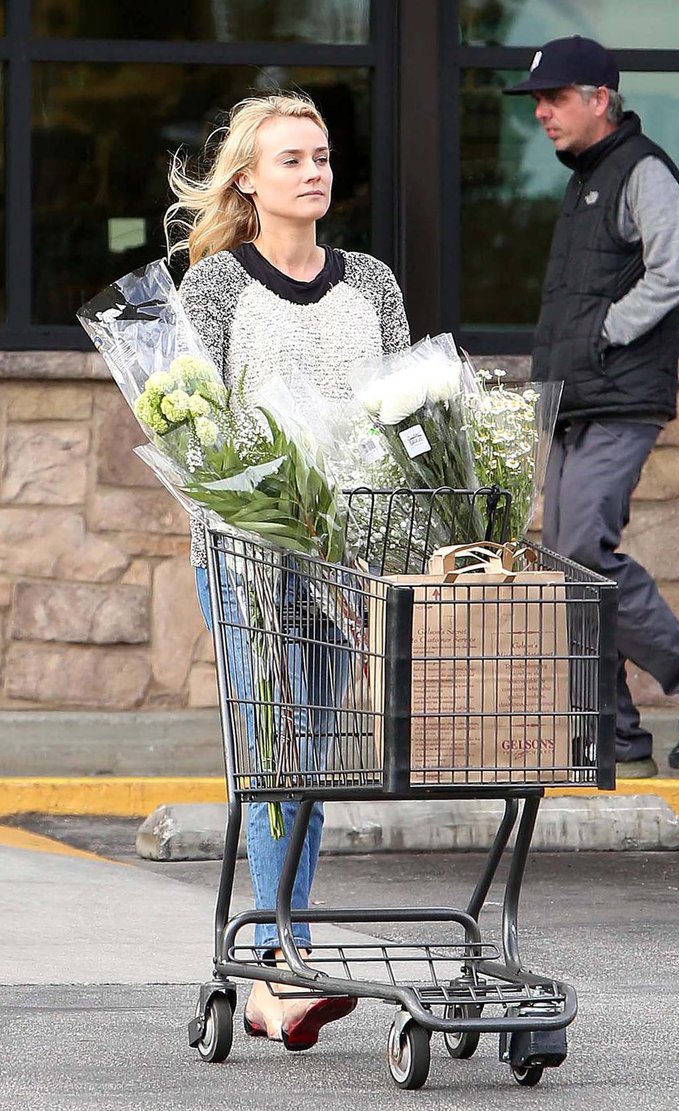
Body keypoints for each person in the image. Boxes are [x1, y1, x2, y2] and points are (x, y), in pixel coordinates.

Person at [167, 92, 410, 1050]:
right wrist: (253, 523)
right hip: (249, 557)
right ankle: (277, 966)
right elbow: (190, 434)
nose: (314, 171)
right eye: (291, 159)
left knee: (309, 756)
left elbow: (402, 420)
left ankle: (280, 956)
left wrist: (386, 552)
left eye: (322, 156)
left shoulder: (373, 286)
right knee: (275, 753)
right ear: (248, 181)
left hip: (344, 561)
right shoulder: (217, 289)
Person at [504, 37, 679, 780]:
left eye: (554, 99)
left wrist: (604, 334)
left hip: (619, 396)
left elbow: (676, 268)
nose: (542, 113)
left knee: (583, 550)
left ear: (600, 99)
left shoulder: (641, 169)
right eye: (537, 102)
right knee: (564, 564)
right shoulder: (585, 179)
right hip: (575, 400)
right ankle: (612, 737)